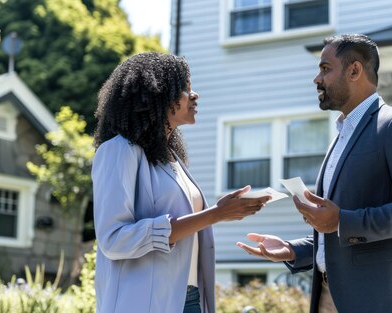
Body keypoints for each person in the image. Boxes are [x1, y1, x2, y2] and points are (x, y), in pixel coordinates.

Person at [237, 34, 392, 313]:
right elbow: (335, 229)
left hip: (378, 301)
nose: (316, 79)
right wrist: (292, 249)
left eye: (325, 69)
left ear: (354, 70)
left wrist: (341, 221)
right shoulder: (340, 136)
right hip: (327, 296)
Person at [92, 52, 270, 313]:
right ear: (156, 95)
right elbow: (113, 238)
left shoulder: (173, 159)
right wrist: (215, 215)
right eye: (185, 88)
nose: (194, 95)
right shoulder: (119, 150)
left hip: (189, 298)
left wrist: (219, 211)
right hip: (142, 302)